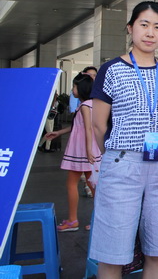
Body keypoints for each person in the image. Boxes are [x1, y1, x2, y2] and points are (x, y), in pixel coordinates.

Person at [90, 1, 158, 279]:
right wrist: (117, 157)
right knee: (113, 252)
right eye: (144, 24)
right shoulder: (111, 70)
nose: (150, 32)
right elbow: (98, 125)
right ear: (130, 28)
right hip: (122, 164)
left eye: (157, 27)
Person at [45, 72, 101, 232]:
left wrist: (88, 150)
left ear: (81, 88)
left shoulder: (85, 106)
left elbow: (88, 128)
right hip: (89, 149)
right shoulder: (92, 104)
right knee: (94, 185)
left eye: (74, 86)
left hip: (81, 149)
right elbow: (80, 126)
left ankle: (72, 220)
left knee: (72, 183)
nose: (72, 90)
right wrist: (59, 132)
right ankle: (99, 221)